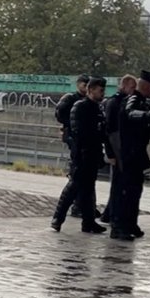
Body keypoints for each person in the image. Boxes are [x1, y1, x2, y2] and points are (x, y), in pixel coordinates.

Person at [51, 77, 107, 233]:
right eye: (100, 90)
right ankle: (58, 218)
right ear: (91, 90)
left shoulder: (97, 108)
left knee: (88, 188)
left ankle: (88, 222)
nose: (103, 94)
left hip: (93, 152)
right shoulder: (79, 106)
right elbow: (79, 132)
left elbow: (102, 131)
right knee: (73, 186)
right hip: (82, 153)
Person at [112, 70, 150, 240]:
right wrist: (147, 116)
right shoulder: (133, 100)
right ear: (147, 87)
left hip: (136, 154)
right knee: (126, 191)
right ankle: (119, 226)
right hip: (129, 154)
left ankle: (130, 223)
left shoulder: (142, 102)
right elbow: (130, 113)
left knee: (134, 191)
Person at [103, 75, 137, 228]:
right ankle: (112, 215)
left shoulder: (121, 102)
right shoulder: (115, 103)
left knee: (119, 182)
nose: (133, 91)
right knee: (117, 183)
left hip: (121, 146)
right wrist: (110, 153)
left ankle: (109, 214)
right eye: (131, 87)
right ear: (123, 86)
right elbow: (109, 129)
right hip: (116, 147)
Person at [55, 74, 89, 217]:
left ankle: (84, 205)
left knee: (85, 173)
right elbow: (59, 113)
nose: (86, 88)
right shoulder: (71, 99)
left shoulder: (87, 101)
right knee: (78, 172)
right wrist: (69, 125)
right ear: (78, 85)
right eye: (84, 85)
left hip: (83, 138)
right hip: (73, 137)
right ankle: (77, 206)